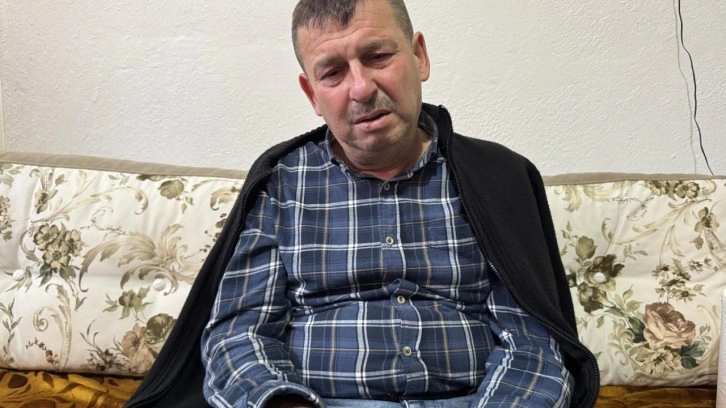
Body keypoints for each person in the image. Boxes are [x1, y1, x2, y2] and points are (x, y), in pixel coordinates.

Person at [126, 1, 599, 407]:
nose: (361, 88)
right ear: (312, 94)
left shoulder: (497, 178)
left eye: (377, 56)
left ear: (419, 56)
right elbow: (238, 336)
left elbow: (534, 345)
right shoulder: (280, 184)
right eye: (333, 72)